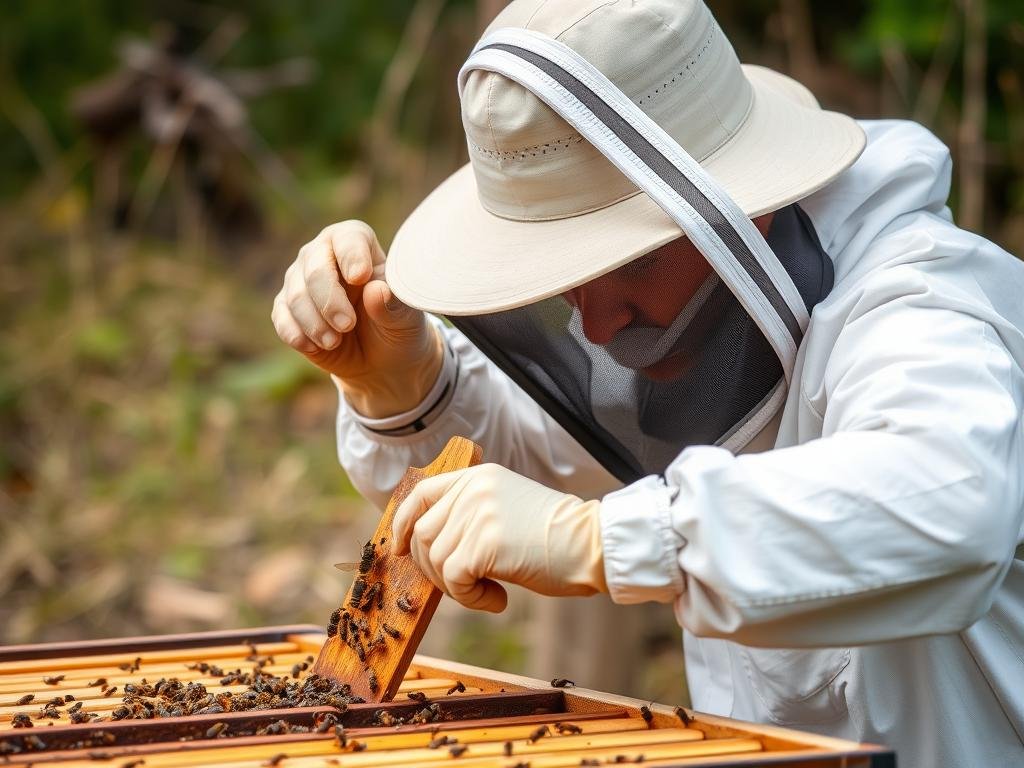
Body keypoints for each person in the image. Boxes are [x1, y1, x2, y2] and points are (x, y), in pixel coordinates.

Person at [272, 1, 1024, 765]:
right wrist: (402, 384)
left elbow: (950, 503)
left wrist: (603, 540)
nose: (596, 327)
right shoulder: (694, 321)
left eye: (627, 261)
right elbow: (532, 459)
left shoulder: (923, 303)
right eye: (564, 277)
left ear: (748, 209)